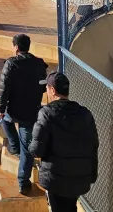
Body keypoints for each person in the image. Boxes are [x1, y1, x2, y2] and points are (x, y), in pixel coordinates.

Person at [29, 72, 99, 212]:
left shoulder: (46, 113)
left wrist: (30, 145)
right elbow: (93, 145)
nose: (46, 91)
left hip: (55, 179)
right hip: (79, 176)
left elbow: (36, 150)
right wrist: (91, 174)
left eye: (47, 88)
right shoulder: (85, 113)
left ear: (53, 90)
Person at [0, 34, 48, 195]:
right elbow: (42, 85)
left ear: (16, 47)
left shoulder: (10, 64)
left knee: (4, 119)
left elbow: (4, 88)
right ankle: (23, 181)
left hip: (13, 111)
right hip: (31, 111)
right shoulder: (40, 64)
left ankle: (14, 147)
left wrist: (0, 108)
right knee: (27, 147)